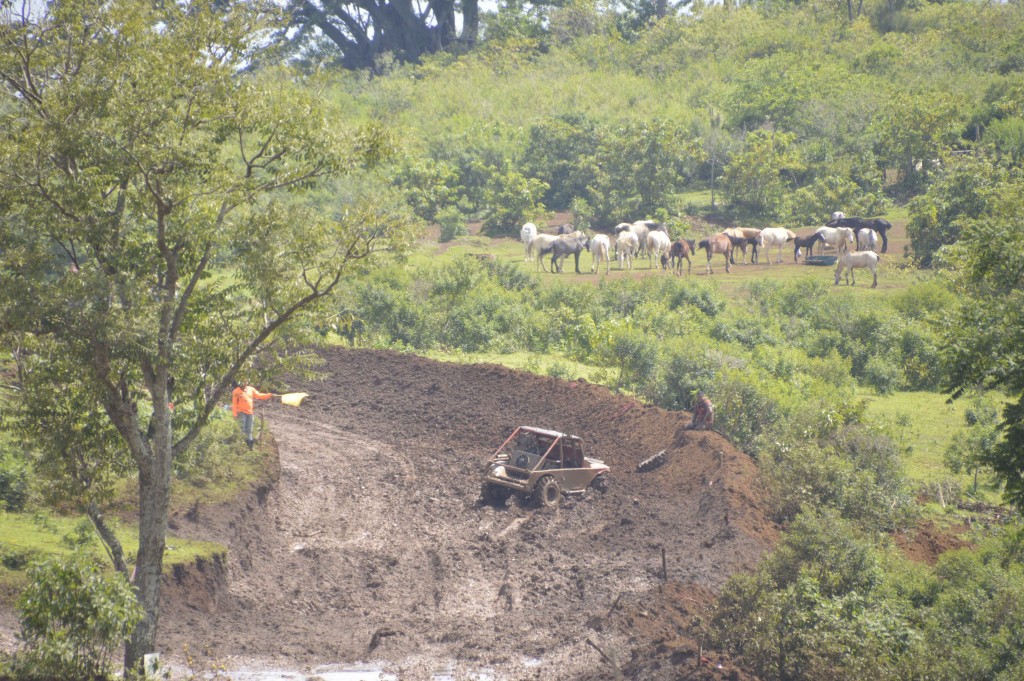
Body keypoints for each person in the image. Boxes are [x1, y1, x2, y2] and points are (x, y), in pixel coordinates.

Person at [232, 379, 275, 449]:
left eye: (246, 381)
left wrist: (269, 395)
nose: (244, 383)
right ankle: (241, 445)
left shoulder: (251, 389)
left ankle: (249, 447)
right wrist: (234, 414)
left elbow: (259, 395)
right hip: (241, 412)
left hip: (250, 413)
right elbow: (234, 404)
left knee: (249, 430)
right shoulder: (236, 391)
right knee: (242, 429)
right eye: (243, 381)